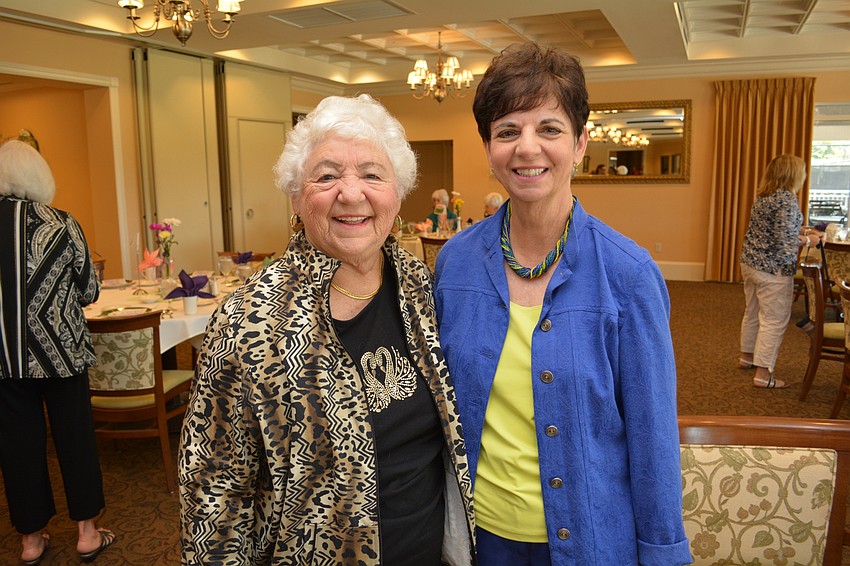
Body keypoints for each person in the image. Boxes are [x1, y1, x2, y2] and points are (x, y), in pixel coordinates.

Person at [179, 94, 475, 565]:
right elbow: (215, 486)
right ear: (297, 197)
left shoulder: (422, 288)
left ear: (398, 194)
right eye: (328, 175)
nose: (352, 193)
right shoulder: (249, 318)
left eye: (373, 174)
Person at [433, 43, 691, 565]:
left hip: (591, 539)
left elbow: (653, 440)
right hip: (479, 540)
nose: (527, 148)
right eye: (508, 131)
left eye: (549, 128)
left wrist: (664, 554)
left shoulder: (628, 274)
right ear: (489, 149)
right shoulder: (455, 263)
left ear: (579, 144)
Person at [0, 139, 115, 564]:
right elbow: (89, 290)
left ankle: (30, 541)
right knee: (75, 440)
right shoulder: (60, 223)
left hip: (3, 358)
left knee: (17, 447)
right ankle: (86, 532)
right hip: (60, 354)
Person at [738, 154, 816, 388]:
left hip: (751, 263)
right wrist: (809, 240)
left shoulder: (763, 197)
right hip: (772, 269)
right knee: (774, 320)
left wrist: (801, 233)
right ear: (793, 174)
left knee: (752, 313)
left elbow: (776, 229)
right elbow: (784, 243)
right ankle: (763, 374)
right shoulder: (786, 200)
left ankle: (747, 357)